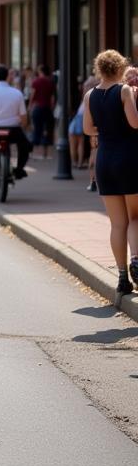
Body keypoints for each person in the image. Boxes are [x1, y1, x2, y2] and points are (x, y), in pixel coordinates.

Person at [82, 50, 138, 295]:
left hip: (104, 160)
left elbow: (87, 129)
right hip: (128, 158)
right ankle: (136, 259)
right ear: (119, 68)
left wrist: (105, 125)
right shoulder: (124, 91)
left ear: (99, 69)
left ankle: (122, 277)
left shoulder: (89, 95)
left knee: (117, 223)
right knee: (135, 217)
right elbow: (135, 123)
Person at [28, 63, 55, 159]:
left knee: (36, 129)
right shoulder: (50, 82)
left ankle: (32, 153)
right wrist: (51, 108)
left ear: (40, 71)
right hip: (47, 108)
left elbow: (32, 95)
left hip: (38, 108)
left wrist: (30, 106)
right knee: (46, 130)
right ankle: (45, 154)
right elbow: (52, 98)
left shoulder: (36, 81)